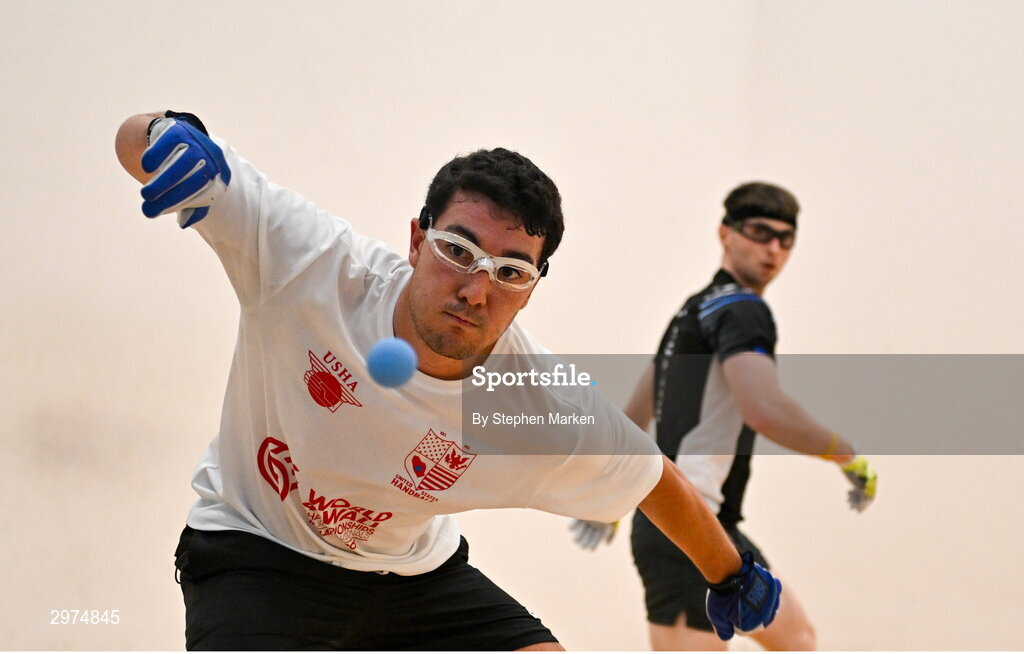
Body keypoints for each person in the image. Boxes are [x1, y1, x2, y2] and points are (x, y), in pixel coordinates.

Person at [114, 111, 783, 651]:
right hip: (257, 551)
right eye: (457, 251)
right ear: (416, 240)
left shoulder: (533, 402)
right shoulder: (314, 267)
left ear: (531, 290)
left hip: (408, 576)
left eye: (511, 272)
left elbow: (652, 477)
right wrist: (163, 135)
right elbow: (142, 139)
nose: (474, 288)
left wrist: (731, 573)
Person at [571, 182, 878, 650]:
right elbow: (765, 411)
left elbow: (633, 417)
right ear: (725, 234)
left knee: (796, 638)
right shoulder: (742, 310)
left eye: (785, 239)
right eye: (759, 232)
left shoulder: (692, 311)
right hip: (684, 527)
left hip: (707, 524)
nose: (773, 249)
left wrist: (609, 502)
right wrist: (848, 456)